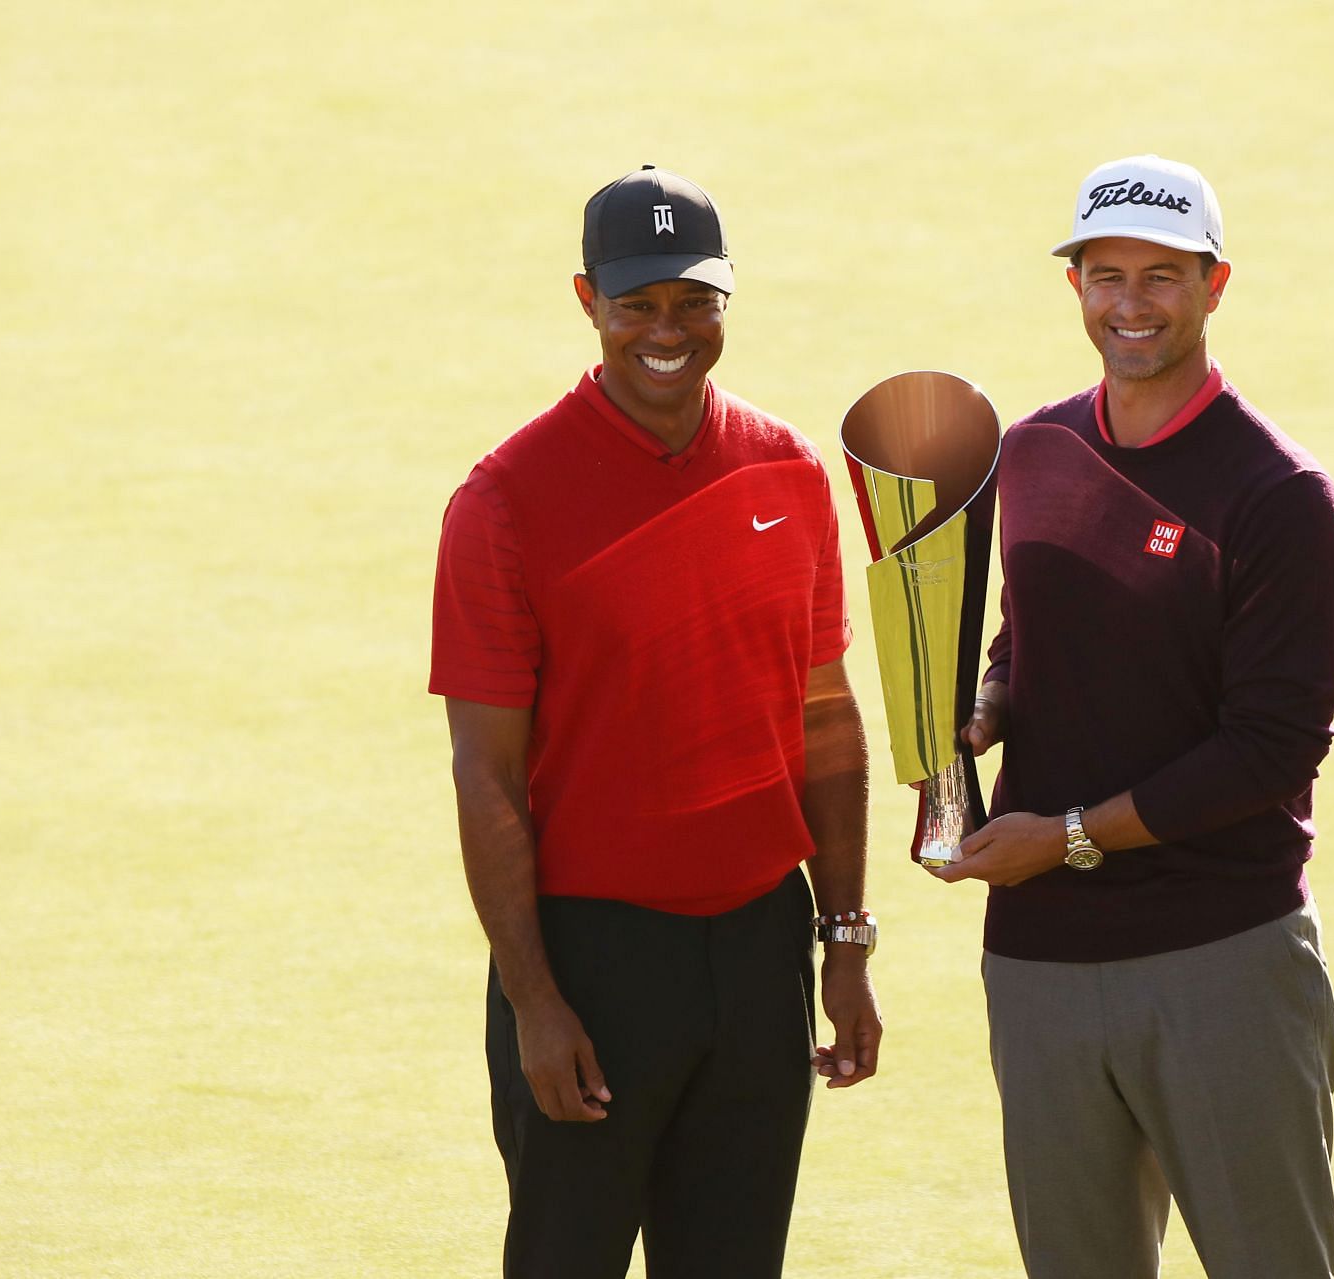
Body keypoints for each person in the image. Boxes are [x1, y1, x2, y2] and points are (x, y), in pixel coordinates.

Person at [429, 165, 882, 1279]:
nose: (667, 330)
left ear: (726, 300)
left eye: (694, 301)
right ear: (589, 301)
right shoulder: (504, 502)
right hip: (594, 958)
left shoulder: (788, 469)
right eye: (638, 304)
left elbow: (824, 718)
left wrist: (844, 940)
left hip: (762, 946)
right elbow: (486, 776)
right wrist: (536, 1000)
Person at [932, 154, 1334, 1278]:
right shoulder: (1031, 451)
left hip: (1221, 956)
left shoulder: (1279, 496)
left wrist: (1065, 836)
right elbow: (1029, 631)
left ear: (1216, 285)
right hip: (1040, 965)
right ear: (1073, 284)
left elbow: (1273, 746)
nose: (1130, 304)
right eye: (1105, 273)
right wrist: (981, 707)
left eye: (1162, 276)